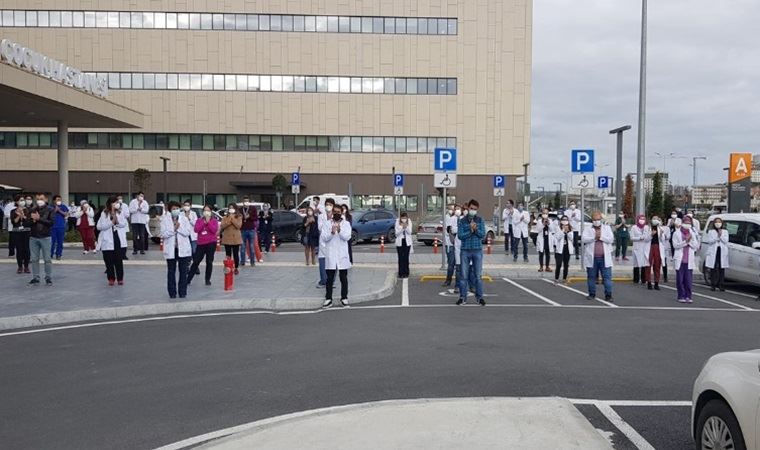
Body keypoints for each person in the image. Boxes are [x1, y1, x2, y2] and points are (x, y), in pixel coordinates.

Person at [320, 203, 352, 308]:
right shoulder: (327, 223)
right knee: (330, 278)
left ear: (341, 212)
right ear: (332, 212)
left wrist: (339, 231)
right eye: (335, 212)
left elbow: (347, 237)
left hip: (342, 255)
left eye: (338, 212)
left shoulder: (346, 224)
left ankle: (344, 297)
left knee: (343, 277)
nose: (336, 213)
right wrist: (332, 233)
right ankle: (328, 298)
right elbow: (324, 238)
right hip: (331, 254)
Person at [160, 201, 193, 299]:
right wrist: (173, 229)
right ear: (170, 210)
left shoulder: (184, 219)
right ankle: (172, 293)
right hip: (171, 249)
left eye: (177, 208)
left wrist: (178, 228)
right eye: (174, 209)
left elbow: (187, 232)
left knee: (183, 272)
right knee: (171, 271)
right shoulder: (165, 220)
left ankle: (182, 292)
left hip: (183, 249)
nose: (176, 210)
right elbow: (163, 234)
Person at [456, 199, 486, 306]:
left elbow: (483, 234)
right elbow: (460, 235)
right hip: (465, 250)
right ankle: (462, 297)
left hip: (477, 250)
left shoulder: (480, 220)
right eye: (471, 208)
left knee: (478, 275)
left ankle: (480, 297)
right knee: (463, 276)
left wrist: (476, 230)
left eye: (475, 209)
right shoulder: (462, 220)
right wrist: (470, 230)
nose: (473, 210)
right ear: (468, 208)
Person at [581, 211, 614, 301]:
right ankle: (592, 294)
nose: (597, 221)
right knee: (591, 277)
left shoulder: (606, 228)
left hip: (604, 258)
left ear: (601, 219)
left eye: (598, 219)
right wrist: (594, 238)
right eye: (595, 219)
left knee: (607, 277)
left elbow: (611, 239)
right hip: (592, 258)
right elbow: (584, 239)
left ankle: (608, 295)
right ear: (592, 220)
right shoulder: (588, 229)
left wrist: (601, 237)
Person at [96, 196, 126, 286]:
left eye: (117, 202)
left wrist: (115, 219)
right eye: (114, 202)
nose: (116, 204)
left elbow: (123, 224)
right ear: (110, 203)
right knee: (108, 260)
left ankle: (120, 278)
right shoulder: (104, 213)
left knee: (118, 259)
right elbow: (100, 226)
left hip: (117, 237)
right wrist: (111, 222)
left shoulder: (120, 212)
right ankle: (111, 278)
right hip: (107, 239)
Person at [187, 205, 219, 286]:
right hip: (201, 243)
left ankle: (207, 279)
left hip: (211, 243)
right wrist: (203, 223)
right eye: (205, 210)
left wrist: (208, 223)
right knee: (196, 261)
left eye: (208, 210)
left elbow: (214, 230)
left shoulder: (214, 220)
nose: (206, 212)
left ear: (211, 212)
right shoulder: (199, 220)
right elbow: (196, 230)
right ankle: (188, 279)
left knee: (209, 261)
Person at [26, 193, 54, 286]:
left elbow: (51, 223)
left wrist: (39, 219)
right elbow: (27, 223)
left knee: (47, 259)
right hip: (33, 237)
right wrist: (32, 221)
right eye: (37, 199)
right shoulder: (32, 209)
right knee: (34, 259)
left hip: (45, 237)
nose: (39, 201)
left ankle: (48, 277)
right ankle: (35, 277)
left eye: (41, 199)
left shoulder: (50, 210)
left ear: (46, 199)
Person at [672, 216, 699, 303]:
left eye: (689, 223)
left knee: (688, 280)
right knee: (680, 280)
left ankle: (688, 296)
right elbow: (675, 246)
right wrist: (685, 242)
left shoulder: (692, 233)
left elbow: (695, 246)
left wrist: (689, 241)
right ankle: (681, 295)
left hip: (689, 260)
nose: (687, 224)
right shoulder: (676, 233)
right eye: (686, 223)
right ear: (682, 223)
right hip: (680, 260)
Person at [703, 217, 729, 292]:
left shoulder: (725, 231)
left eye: (719, 222)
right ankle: (713, 285)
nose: (718, 223)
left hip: (722, 250)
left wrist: (720, 235)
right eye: (716, 222)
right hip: (714, 250)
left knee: (721, 268)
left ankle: (721, 285)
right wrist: (717, 237)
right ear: (714, 224)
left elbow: (725, 241)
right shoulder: (711, 231)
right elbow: (710, 241)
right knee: (713, 268)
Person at [316, 198, 336, 288]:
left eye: (330, 205)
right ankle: (323, 281)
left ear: (333, 206)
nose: (328, 206)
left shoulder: (336, 216)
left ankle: (331, 282)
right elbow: (320, 228)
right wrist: (327, 221)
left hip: (333, 242)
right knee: (323, 261)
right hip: (323, 242)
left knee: (333, 262)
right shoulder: (321, 216)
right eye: (327, 204)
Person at [646, 216, 670, 290]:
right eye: (654, 219)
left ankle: (656, 283)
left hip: (658, 247)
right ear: (651, 220)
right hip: (649, 247)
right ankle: (649, 282)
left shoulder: (661, 228)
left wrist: (661, 234)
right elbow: (645, 239)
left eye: (657, 219)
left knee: (657, 265)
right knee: (648, 265)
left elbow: (663, 240)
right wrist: (651, 235)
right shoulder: (647, 228)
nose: (655, 220)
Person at [220, 203, 243, 275]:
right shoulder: (225, 217)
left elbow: (238, 226)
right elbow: (222, 226)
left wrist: (232, 219)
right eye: (230, 208)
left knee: (236, 254)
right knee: (228, 254)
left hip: (235, 238)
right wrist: (228, 221)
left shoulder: (239, 216)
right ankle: (228, 266)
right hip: (227, 238)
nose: (231, 209)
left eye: (232, 208)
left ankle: (236, 268)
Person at [9, 195, 30, 273]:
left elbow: (29, 221)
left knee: (27, 250)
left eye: (23, 200)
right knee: (19, 249)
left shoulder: (28, 210)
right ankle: (20, 267)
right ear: (16, 202)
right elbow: (13, 222)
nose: (22, 201)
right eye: (20, 200)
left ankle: (27, 266)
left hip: (26, 232)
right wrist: (18, 216)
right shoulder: (13, 211)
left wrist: (23, 215)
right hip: (17, 232)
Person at [630, 214, 651, 285]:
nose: (642, 220)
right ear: (638, 219)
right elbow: (631, 237)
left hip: (644, 248)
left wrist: (648, 237)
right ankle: (636, 279)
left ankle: (643, 279)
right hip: (637, 247)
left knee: (644, 264)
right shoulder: (634, 227)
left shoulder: (647, 227)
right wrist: (639, 238)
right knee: (636, 264)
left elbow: (648, 238)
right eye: (640, 219)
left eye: (643, 219)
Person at [443, 204, 459, 287]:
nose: (451, 210)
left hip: (458, 244)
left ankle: (457, 283)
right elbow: (447, 230)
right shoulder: (446, 217)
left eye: (453, 209)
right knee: (451, 263)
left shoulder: (458, 218)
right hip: (450, 243)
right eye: (450, 209)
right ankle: (448, 280)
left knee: (458, 264)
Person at [182, 199, 200, 275]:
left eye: (188, 205)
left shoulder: (193, 214)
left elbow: (195, 224)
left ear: (190, 206)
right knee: (187, 252)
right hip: (184, 236)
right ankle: (186, 267)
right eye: (185, 205)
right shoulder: (181, 214)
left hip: (192, 235)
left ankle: (196, 267)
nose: (186, 207)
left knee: (194, 252)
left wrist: (189, 218)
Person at [48, 195, 68, 261]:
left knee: (60, 242)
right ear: (54, 200)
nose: (59, 201)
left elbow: (66, 214)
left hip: (61, 226)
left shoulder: (63, 206)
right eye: (57, 199)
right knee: (52, 242)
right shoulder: (50, 207)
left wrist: (59, 210)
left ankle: (58, 254)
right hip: (52, 227)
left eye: (60, 199)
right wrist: (55, 210)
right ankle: (50, 254)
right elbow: (48, 215)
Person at [554, 215, 573, 283]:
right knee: (558, 264)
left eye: (566, 220)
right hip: (559, 249)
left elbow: (572, 238)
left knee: (566, 265)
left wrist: (567, 232)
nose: (565, 221)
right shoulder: (557, 228)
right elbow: (558, 237)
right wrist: (563, 230)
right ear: (561, 221)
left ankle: (564, 278)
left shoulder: (570, 228)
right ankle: (556, 278)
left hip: (567, 249)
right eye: (563, 220)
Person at [239, 196, 258, 267]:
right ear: (243, 202)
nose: (246, 203)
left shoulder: (252, 209)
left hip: (251, 229)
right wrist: (242, 217)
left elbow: (256, 218)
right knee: (242, 247)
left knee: (251, 246)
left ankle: (252, 262)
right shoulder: (240, 209)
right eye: (245, 201)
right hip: (243, 229)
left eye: (247, 201)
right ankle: (242, 261)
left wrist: (249, 216)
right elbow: (238, 217)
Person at [395, 212, 413, 279]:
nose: (404, 219)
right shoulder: (397, 221)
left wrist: (406, 227)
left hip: (407, 241)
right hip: (400, 241)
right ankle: (400, 273)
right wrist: (402, 228)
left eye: (405, 218)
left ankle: (406, 272)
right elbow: (396, 233)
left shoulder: (409, 221)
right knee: (400, 258)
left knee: (406, 257)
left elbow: (410, 232)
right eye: (402, 218)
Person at [536, 208, 555, 272]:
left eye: (546, 213)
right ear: (541, 214)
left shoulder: (550, 220)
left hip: (548, 239)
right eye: (544, 213)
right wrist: (543, 224)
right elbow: (538, 230)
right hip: (541, 238)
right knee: (541, 253)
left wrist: (549, 224)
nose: (545, 214)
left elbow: (552, 229)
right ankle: (541, 266)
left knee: (548, 253)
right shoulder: (539, 221)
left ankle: (547, 266)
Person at [114, 195, 130, 260]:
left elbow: (127, 215)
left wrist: (121, 211)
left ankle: (124, 255)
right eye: (118, 199)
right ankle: (118, 254)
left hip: (122, 228)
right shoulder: (113, 210)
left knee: (123, 241)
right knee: (117, 242)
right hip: (115, 229)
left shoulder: (124, 206)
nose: (120, 200)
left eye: (121, 198)